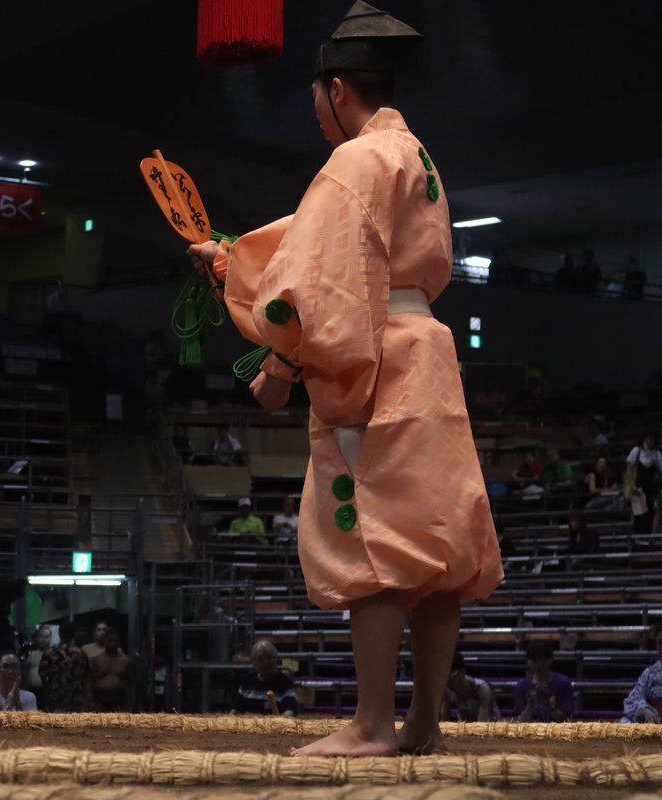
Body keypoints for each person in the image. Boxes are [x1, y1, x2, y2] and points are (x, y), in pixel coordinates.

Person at [186, 2, 502, 756]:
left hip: (378, 353)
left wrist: (281, 363)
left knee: (379, 542)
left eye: (314, 100)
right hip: (424, 351)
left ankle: (370, 723)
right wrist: (234, 267)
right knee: (435, 542)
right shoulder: (413, 154)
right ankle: (424, 722)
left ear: (334, 89)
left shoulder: (355, 160)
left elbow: (321, 284)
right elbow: (309, 248)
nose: (315, 116)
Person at [232, 639, 299, 716]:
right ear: (253, 662)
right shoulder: (247, 683)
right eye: (260, 659)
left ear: (276, 658)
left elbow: (289, 713)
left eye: (269, 657)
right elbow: (236, 711)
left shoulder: (287, 684)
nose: (266, 662)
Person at [513, 641, 573, 722]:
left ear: (551, 660)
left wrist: (547, 706)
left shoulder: (563, 683)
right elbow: (520, 723)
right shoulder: (522, 686)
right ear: (528, 661)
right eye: (535, 661)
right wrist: (530, 705)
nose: (539, 664)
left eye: (543, 660)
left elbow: (565, 720)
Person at [39, 621, 93, 712]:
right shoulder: (80, 654)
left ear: (59, 634)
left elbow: (42, 675)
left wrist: (49, 688)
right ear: (73, 635)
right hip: (76, 700)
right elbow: (86, 679)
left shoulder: (50, 653)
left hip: (55, 699)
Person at [88, 627, 135, 712]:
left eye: (115, 641)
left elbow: (131, 684)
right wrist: (91, 703)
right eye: (110, 640)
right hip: (99, 702)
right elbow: (89, 683)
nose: (112, 643)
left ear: (119, 642)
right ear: (104, 642)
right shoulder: (95, 660)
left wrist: (130, 705)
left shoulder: (126, 661)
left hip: (120, 702)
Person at [441, 654, 500, 722]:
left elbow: (481, 725)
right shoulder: (447, 690)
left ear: (462, 672)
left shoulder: (482, 689)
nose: (446, 681)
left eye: (449, 677)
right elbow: (444, 722)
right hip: (465, 724)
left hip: (490, 726)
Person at [620, 631, 662, 724]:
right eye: (660, 643)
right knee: (624, 722)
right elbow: (632, 700)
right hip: (654, 723)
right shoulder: (650, 673)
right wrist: (645, 711)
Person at [626, 433, 660, 533]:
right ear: (644, 440)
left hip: (651, 489)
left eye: (652, 440)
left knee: (651, 513)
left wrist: (655, 463)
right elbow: (629, 470)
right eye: (648, 439)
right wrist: (631, 485)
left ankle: (648, 539)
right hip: (637, 488)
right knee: (640, 515)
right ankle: (637, 539)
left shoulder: (656, 454)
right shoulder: (636, 451)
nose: (650, 442)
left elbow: (660, 472)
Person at [24, 625, 53, 694]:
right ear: (37, 638)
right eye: (41, 636)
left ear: (50, 638)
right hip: (33, 691)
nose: (43, 639)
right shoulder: (30, 654)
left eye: (46, 637)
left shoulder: (55, 655)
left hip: (50, 692)